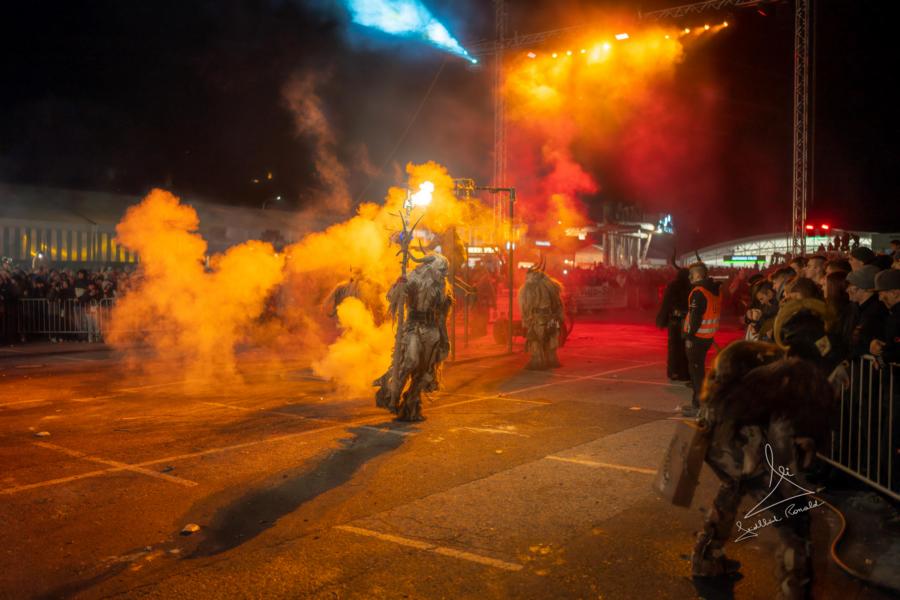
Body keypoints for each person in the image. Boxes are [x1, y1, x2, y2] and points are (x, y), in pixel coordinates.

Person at [691, 306, 836, 600]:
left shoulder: (753, 355)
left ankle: (705, 560)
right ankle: (794, 589)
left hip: (718, 438)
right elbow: (782, 432)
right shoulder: (793, 375)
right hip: (746, 446)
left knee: (730, 492)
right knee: (794, 517)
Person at [374, 253, 452, 422]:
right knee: (410, 360)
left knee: (423, 371)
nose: (444, 274)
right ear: (431, 268)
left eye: (446, 270)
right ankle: (391, 393)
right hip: (413, 328)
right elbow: (393, 296)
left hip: (432, 331)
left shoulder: (443, 288)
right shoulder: (413, 277)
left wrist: (444, 338)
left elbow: (442, 317)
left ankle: (411, 407)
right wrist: (399, 285)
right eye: (441, 270)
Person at [682, 262, 721, 417]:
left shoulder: (698, 292)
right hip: (707, 336)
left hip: (697, 338)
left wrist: (689, 336)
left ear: (698, 275)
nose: (689, 277)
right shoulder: (714, 289)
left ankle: (699, 406)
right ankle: (698, 404)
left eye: (691, 274)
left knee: (696, 374)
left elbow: (695, 318)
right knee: (699, 372)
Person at [518, 259, 565, 370]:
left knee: (535, 338)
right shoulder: (552, 286)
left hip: (538, 318)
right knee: (551, 338)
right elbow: (558, 303)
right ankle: (552, 360)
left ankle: (537, 361)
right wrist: (559, 317)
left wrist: (526, 320)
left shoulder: (530, 288)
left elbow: (526, 306)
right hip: (553, 317)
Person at [844, 265, 887, 359]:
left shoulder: (876, 312)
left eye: (852, 286)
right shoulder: (855, 308)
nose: (847, 290)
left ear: (865, 289)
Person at [656, 267, 691, 380]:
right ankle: (684, 373)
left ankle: (674, 372)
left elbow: (666, 303)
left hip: (675, 320)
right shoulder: (691, 285)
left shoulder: (673, 285)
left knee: (674, 347)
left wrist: (662, 319)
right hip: (687, 320)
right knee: (685, 347)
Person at [870, 269, 900, 364]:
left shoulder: (896, 317)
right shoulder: (893, 314)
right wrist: (881, 344)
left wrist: (882, 359)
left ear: (895, 293)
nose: (880, 298)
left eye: (881, 294)